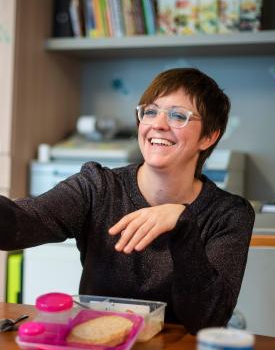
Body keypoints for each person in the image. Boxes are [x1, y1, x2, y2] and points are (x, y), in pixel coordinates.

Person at [0, 68, 255, 335]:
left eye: (178, 115)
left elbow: (207, 320)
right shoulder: (98, 187)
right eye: (150, 111)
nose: (158, 124)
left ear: (209, 136)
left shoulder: (229, 214)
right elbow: (19, 224)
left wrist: (183, 226)